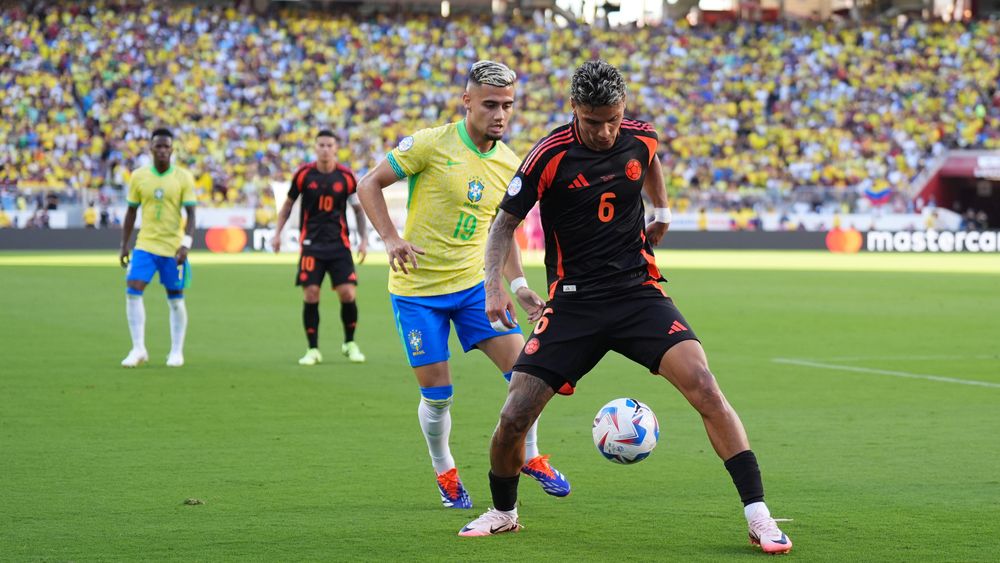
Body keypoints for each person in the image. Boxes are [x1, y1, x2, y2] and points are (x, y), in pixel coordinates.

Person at [459, 60, 792, 555]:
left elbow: (652, 160)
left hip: (639, 294)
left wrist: (662, 211)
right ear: (575, 109)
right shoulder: (547, 155)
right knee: (514, 417)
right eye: (594, 121)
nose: (605, 131)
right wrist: (496, 287)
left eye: (614, 119)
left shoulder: (639, 138)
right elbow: (503, 225)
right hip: (574, 304)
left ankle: (759, 517)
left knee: (705, 386)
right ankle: (505, 513)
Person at [357, 60, 571, 510]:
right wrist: (391, 238)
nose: (500, 115)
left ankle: (531, 457)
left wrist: (517, 283)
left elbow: (504, 228)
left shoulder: (511, 164)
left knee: (528, 376)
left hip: (476, 287)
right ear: (467, 101)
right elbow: (369, 184)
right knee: (438, 397)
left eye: (508, 106)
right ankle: (445, 472)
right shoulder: (431, 144)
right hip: (417, 293)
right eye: (490, 104)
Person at [272, 130, 368, 366]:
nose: (325, 149)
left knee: (348, 293)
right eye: (321, 145)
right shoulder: (304, 174)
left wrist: (364, 238)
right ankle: (312, 348)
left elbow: (358, 210)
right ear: (315, 148)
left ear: (336, 148)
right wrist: (277, 233)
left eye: (329, 145)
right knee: (311, 293)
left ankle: (350, 343)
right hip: (311, 245)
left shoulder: (346, 176)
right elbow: (287, 205)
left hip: (339, 245)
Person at [119, 128, 196, 368]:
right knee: (133, 289)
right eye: (158, 146)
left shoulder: (183, 177)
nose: (162, 150)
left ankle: (176, 351)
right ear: (151, 149)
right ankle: (138, 348)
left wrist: (186, 244)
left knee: (175, 299)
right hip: (146, 245)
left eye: (166, 147)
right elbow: (131, 211)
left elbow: (192, 213)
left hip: (173, 248)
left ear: (172, 150)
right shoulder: (139, 176)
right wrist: (124, 245)